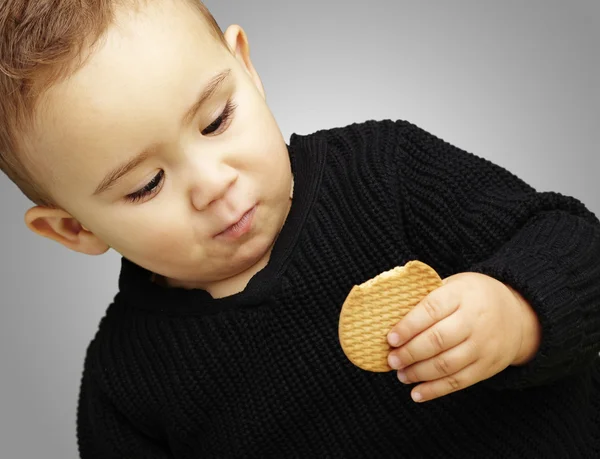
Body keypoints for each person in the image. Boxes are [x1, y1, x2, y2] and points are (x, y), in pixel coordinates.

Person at [1, 1, 598, 457]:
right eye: (146, 184)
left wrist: (518, 311)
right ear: (72, 229)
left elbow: (575, 243)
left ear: (247, 68)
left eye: (216, 120)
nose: (213, 183)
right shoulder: (127, 387)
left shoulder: (383, 171)